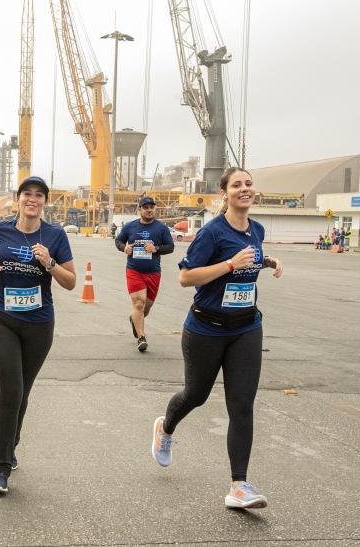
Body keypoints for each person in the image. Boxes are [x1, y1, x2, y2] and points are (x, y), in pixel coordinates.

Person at [151, 167, 283, 510]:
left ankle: (239, 485)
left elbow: (248, 259)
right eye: (237, 185)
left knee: (241, 405)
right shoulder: (211, 233)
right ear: (224, 194)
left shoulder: (257, 229)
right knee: (196, 395)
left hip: (246, 328)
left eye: (248, 184)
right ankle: (165, 428)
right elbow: (186, 277)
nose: (244, 189)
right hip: (205, 329)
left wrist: (268, 261)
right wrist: (229, 264)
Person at [0, 175, 76, 494]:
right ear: (18, 200)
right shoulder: (1, 229)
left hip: (39, 325)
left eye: (38, 195)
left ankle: (10, 445)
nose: (32, 199)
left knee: (23, 392)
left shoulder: (56, 235)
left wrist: (50, 263)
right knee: (10, 391)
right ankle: (0, 467)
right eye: (26, 194)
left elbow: (71, 281)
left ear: (45, 202)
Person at [115, 197, 175, 352]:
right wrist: (124, 248)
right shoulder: (130, 227)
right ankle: (141, 337)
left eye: (152, 207)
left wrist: (156, 249)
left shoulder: (161, 228)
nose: (149, 210)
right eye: (146, 207)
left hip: (153, 272)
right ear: (140, 209)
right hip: (134, 270)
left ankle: (134, 319)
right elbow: (118, 241)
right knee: (139, 303)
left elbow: (170, 247)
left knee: (146, 308)